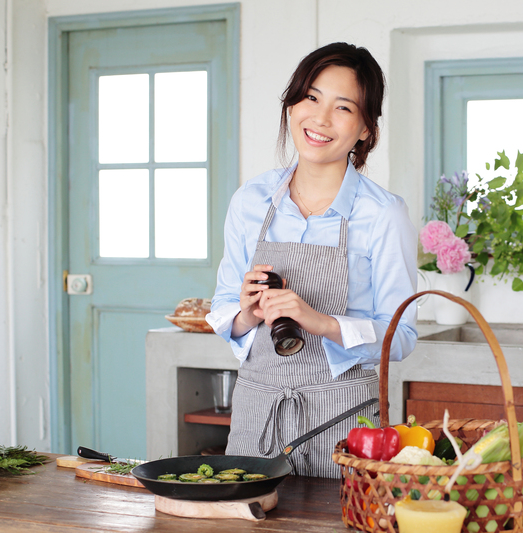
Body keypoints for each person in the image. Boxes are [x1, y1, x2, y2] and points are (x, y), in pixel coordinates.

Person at [206, 42, 418, 478]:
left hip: (344, 419)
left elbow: (402, 337)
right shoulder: (251, 201)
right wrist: (245, 313)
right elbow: (223, 310)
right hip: (256, 412)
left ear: (365, 129)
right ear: (291, 106)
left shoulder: (382, 214)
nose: (320, 119)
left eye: (343, 107)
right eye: (311, 98)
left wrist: (320, 322)